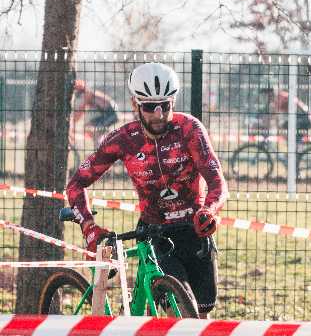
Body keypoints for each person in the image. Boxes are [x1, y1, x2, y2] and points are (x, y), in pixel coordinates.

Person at [66, 62, 228, 319]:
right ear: (135, 104)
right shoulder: (124, 139)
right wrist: (88, 226)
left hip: (193, 228)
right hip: (154, 232)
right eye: (150, 107)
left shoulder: (189, 129)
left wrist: (210, 210)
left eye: (165, 105)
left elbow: (218, 182)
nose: (159, 114)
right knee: (180, 312)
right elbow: (76, 183)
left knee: (202, 314)